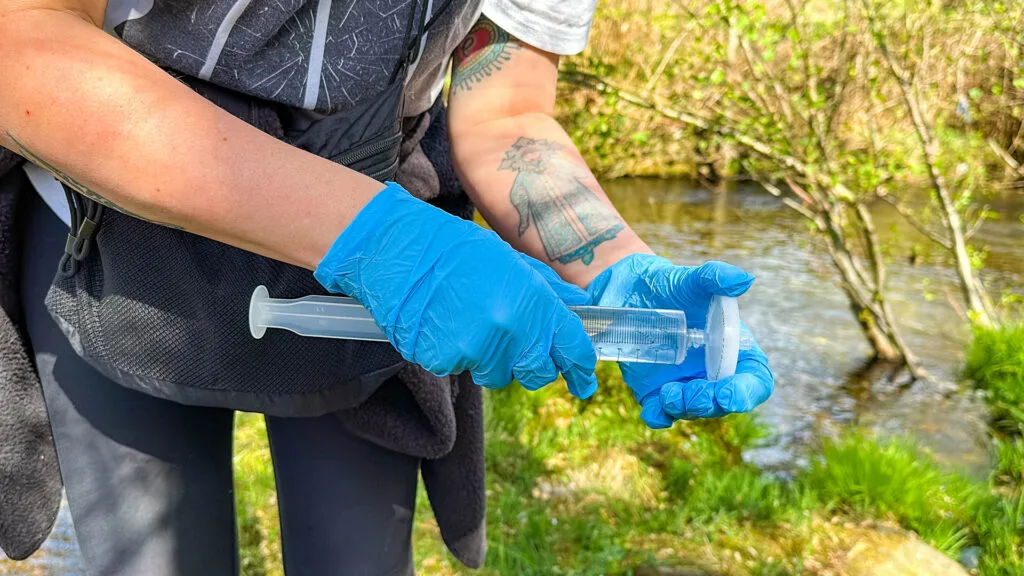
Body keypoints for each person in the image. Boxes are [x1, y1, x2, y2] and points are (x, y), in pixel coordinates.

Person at [0, 0, 776, 573]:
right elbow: (22, 45)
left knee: (359, 557)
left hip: (379, 244)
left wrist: (614, 271)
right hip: (120, 235)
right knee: (154, 558)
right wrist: (384, 242)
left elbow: (502, 108)